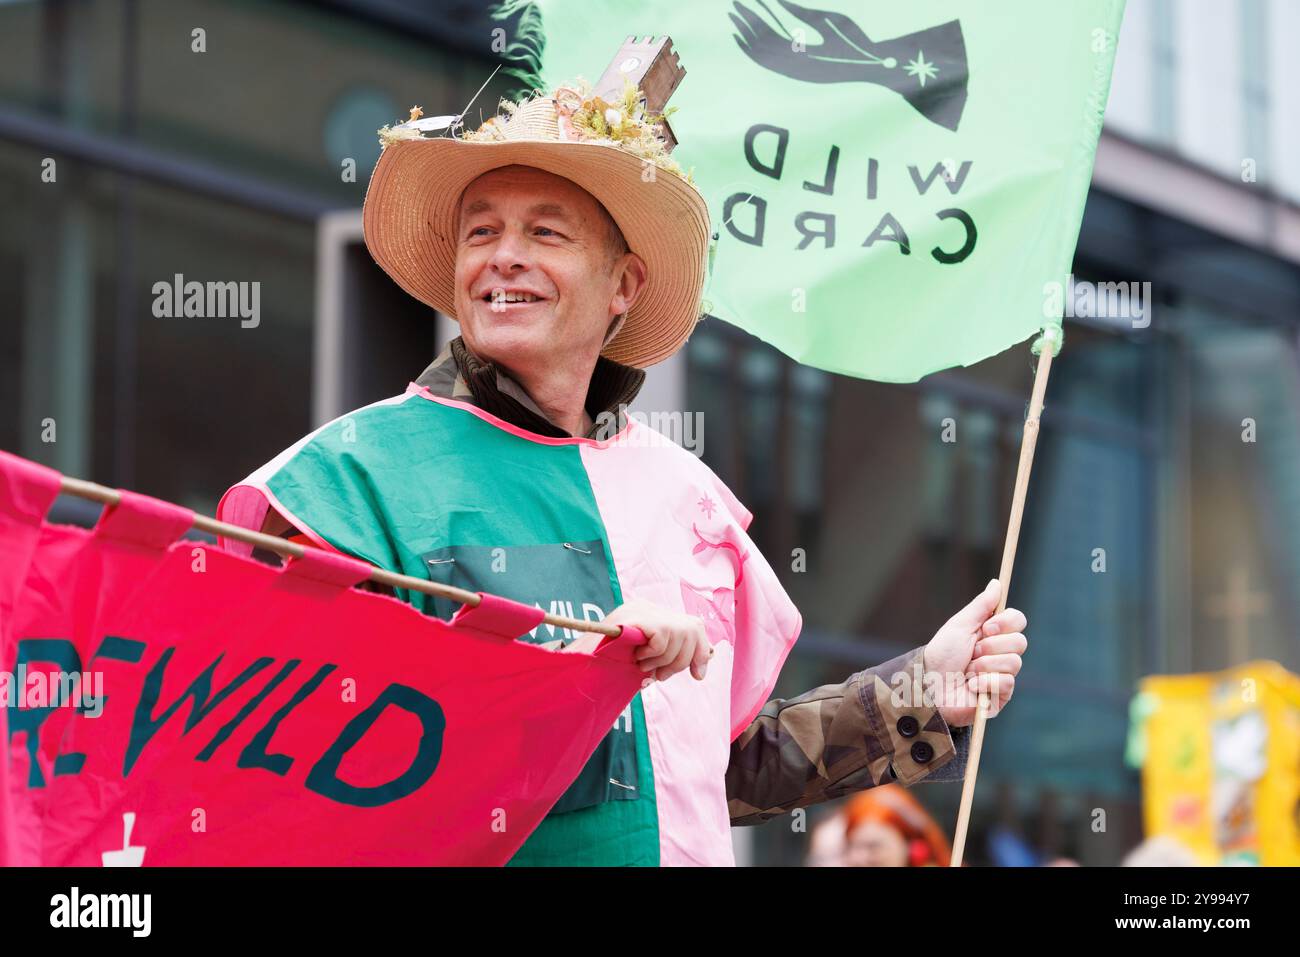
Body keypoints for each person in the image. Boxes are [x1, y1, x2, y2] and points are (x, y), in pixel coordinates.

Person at [216, 79, 1027, 866]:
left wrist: (923, 687)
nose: (504, 257)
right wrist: (578, 669)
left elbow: (716, 768)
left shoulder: (686, 494)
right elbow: (296, 744)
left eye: (545, 233)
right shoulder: (347, 478)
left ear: (624, 285)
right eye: (481, 232)